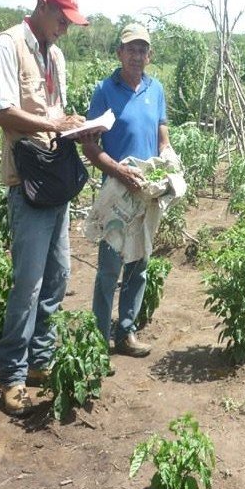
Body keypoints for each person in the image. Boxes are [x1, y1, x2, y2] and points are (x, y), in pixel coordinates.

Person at [0, 0, 89, 416]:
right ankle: (12, 375)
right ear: (44, 7)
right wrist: (52, 126)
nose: (65, 29)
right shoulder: (10, 44)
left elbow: (53, 110)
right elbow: (2, 111)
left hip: (56, 180)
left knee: (58, 276)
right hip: (27, 181)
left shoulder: (56, 55)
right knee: (27, 285)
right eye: (62, 19)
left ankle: (40, 360)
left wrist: (74, 123)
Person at [81, 23, 171, 358]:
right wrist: (118, 170)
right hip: (117, 192)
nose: (136, 55)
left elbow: (162, 134)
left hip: (145, 191)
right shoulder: (105, 91)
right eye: (130, 49)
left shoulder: (155, 89)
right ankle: (98, 339)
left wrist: (167, 157)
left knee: (139, 265)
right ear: (119, 53)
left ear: (149, 55)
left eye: (142, 49)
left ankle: (127, 332)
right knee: (109, 269)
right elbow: (89, 147)